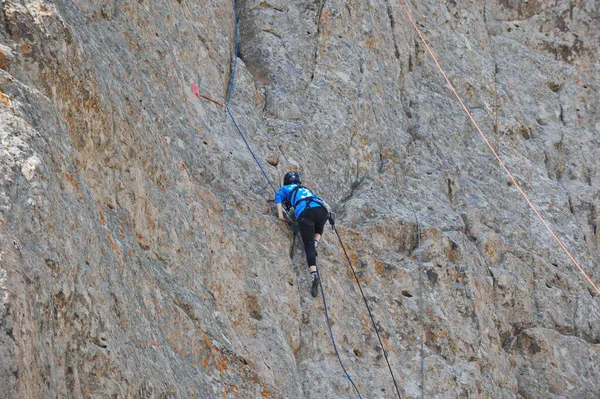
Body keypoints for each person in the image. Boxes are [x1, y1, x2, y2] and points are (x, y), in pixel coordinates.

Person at [275, 171, 333, 297]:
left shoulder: (284, 189)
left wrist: (284, 218)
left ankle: (314, 276)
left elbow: (279, 207)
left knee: (308, 247)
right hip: (322, 211)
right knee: (318, 227)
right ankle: (316, 243)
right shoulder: (305, 189)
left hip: (306, 212)